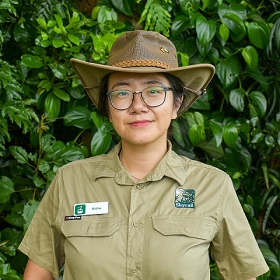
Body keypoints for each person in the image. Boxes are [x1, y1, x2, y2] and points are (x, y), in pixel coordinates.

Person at [19, 30, 269, 280]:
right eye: (122, 93)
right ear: (107, 108)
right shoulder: (70, 182)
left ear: (177, 104)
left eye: (153, 91)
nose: (138, 106)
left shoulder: (213, 187)